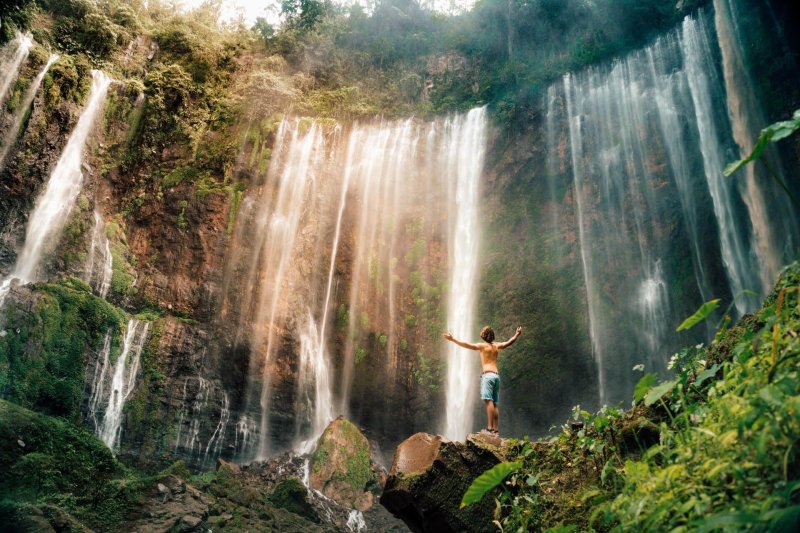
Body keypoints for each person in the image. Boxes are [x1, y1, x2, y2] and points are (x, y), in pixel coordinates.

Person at [443, 325, 522, 435]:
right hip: (496, 376)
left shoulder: (482, 346)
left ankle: (489, 428)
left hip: (488, 375)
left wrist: (453, 339)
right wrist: (517, 334)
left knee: (488, 401)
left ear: (484, 336)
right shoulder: (497, 346)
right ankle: (496, 429)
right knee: (494, 403)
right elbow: (509, 342)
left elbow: (466, 345)